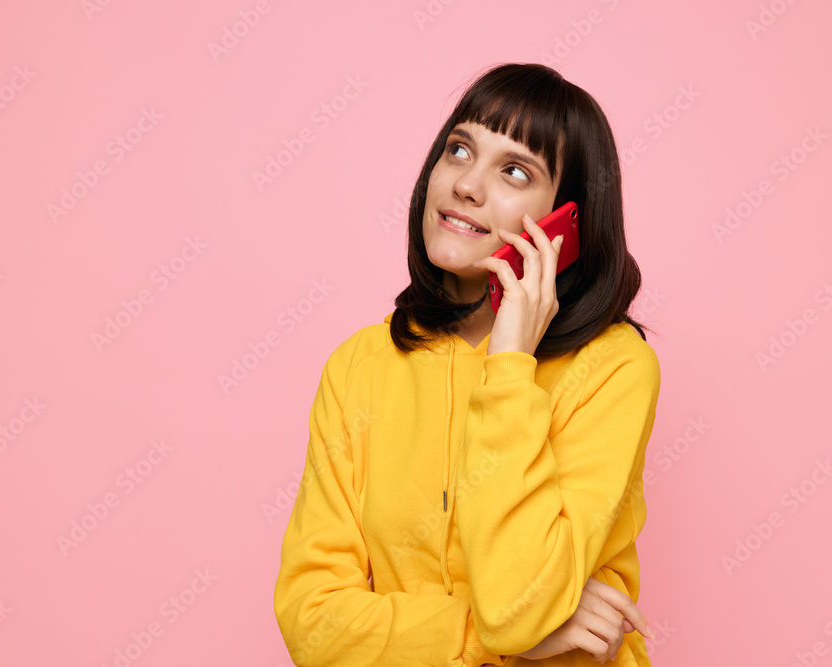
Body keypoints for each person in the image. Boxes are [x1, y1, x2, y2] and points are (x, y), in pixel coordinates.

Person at [273, 62, 662, 666]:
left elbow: (518, 605)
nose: (466, 185)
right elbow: (313, 623)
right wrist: (486, 636)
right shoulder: (359, 368)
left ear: (568, 220)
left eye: (514, 171)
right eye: (459, 150)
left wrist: (510, 363)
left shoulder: (613, 369)